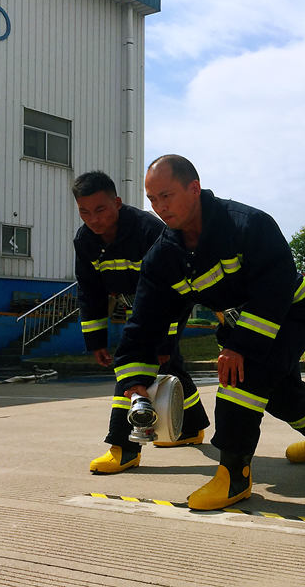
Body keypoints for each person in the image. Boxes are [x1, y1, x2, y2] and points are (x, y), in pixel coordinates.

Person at [112, 155, 305, 510]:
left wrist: (240, 346)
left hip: (290, 311)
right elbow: (144, 321)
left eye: (167, 195)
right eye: (152, 199)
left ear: (194, 188)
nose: (160, 207)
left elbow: (274, 290)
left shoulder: (249, 225)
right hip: (241, 324)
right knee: (280, 393)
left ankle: (234, 475)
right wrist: (135, 380)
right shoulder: (163, 256)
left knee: (242, 378)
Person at [72, 171, 210, 474]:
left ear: (117, 203)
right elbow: (90, 292)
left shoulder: (149, 230)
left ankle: (124, 448)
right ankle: (192, 428)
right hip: (138, 303)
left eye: (100, 210)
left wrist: (164, 340)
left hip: (172, 297)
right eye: (84, 211)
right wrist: (95, 341)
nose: (92, 219)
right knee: (169, 365)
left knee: (132, 364)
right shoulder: (85, 241)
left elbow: (171, 287)